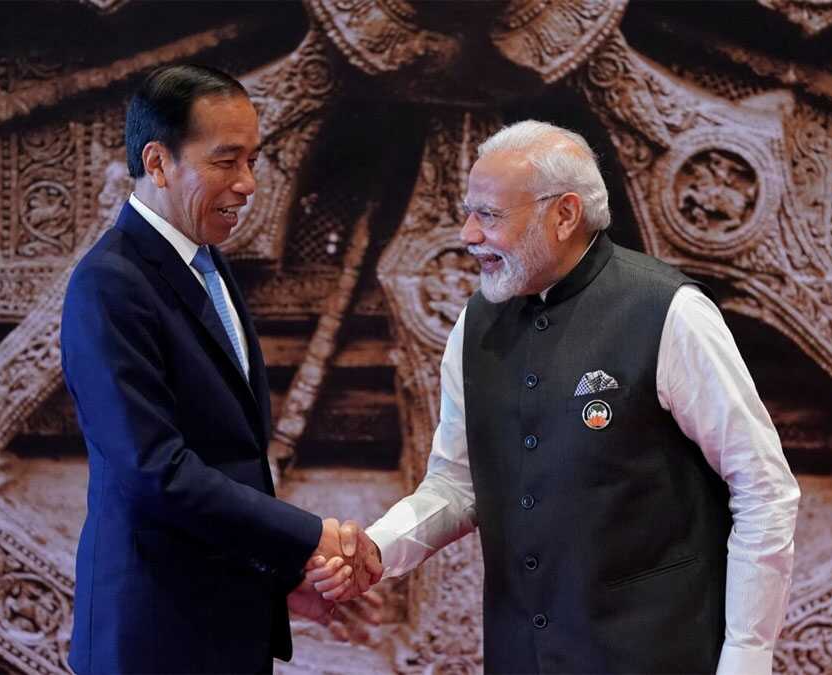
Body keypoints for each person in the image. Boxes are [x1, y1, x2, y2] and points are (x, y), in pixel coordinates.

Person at [340, 120, 800, 674]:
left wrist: (747, 658)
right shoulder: (475, 322)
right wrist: (379, 549)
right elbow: (458, 483)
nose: (467, 234)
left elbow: (763, 490)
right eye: (469, 212)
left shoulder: (668, 312)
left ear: (564, 215)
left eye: (488, 215)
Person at [60, 64, 380, 674]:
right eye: (226, 162)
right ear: (157, 164)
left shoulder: (207, 264)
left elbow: (230, 457)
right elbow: (154, 470)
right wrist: (310, 537)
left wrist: (286, 575)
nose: (248, 184)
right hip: (154, 637)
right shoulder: (109, 284)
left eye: (253, 162)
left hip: (225, 625)